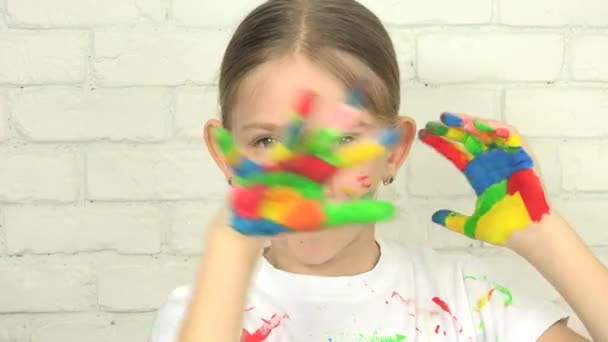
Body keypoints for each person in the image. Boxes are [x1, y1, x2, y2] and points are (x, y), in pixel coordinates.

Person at [149, 0, 608, 341]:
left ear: (393, 150)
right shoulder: (202, 314)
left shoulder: (469, 299)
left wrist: (544, 237)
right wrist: (231, 249)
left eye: (343, 141)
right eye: (267, 142)